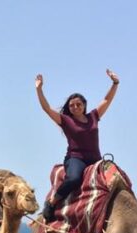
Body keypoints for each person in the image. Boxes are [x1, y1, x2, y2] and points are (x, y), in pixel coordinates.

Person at [35, 69, 120, 221]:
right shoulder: (66, 120)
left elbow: (107, 100)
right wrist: (39, 89)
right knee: (74, 178)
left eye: (78, 104)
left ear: (84, 105)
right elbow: (46, 109)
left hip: (95, 159)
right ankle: (52, 202)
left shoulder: (94, 116)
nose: (75, 107)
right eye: (72, 105)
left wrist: (115, 83)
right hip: (76, 158)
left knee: (117, 178)